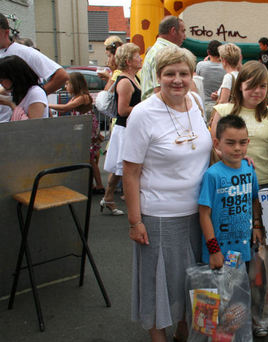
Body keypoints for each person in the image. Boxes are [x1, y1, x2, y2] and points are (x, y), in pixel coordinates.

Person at [122, 45, 211, 342]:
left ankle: (182, 328)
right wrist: (134, 220)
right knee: (158, 279)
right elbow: (130, 171)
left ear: (192, 76)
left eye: (183, 73)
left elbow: (203, 149)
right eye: (169, 74)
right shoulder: (143, 114)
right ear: (157, 77)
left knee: (189, 276)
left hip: (198, 211)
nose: (177, 80)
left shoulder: (196, 103)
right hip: (158, 211)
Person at [198, 114, 261, 342]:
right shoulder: (212, 175)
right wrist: (214, 250)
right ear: (217, 144)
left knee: (235, 300)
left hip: (242, 252)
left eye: (242, 142)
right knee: (215, 303)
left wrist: (257, 225)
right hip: (218, 254)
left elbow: (255, 200)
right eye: (231, 143)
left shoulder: (249, 170)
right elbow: (203, 214)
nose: (237, 148)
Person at [211, 60, 268, 189]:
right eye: (251, 85)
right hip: (230, 182)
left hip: (265, 182)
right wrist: (236, 158)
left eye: (262, 86)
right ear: (240, 85)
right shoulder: (222, 111)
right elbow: (213, 148)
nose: (257, 91)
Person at [101, 43, 142, 216]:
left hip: (129, 129)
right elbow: (122, 110)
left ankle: (108, 198)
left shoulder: (134, 78)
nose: (140, 58)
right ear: (128, 61)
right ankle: (110, 198)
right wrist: (144, 108)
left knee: (122, 168)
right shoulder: (125, 81)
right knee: (124, 167)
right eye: (137, 56)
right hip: (125, 129)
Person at [48, 72, 105, 194]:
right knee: (87, 158)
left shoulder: (83, 97)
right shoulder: (76, 96)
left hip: (88, 129)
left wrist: (47, 105)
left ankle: (100, 185)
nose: (66, 86)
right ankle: (90, 184)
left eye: (68, 83)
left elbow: (66, 108)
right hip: (83, 129)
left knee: (90, 159)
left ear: (76, 84)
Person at [0, 13, 68, 96]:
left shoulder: (23, 52)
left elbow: (61, 76)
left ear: (6, 33)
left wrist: (34, 99)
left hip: (20, 108)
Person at [140, 16, 189, 101]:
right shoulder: (165, 53)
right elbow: (159, 90)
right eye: (183, 31)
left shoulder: (155, 50)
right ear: (173, 31)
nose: (185, 37)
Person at [0, 55, 49, 120]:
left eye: (1, 80)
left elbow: (32, 125)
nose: (1, 83)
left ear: (13, 78)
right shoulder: (19, 92)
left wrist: (11, 105)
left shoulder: (35, 93)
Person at [196, 40, 225, 119]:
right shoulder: (225, 68)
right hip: (219, 106)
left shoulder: (200, 65)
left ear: (208, 52)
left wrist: (204, 62)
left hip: (203, 105)